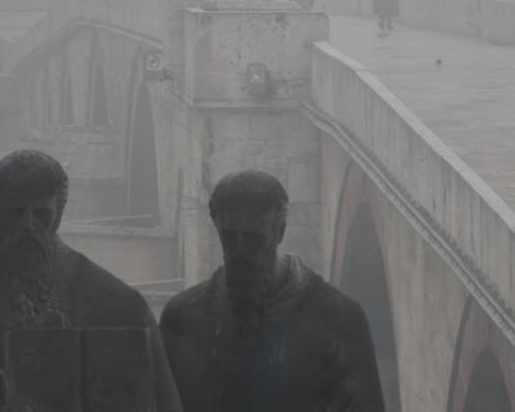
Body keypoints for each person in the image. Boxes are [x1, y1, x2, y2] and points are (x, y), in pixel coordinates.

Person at [0, 150, 181, 412]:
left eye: (41, 214)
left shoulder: (123, 309)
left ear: (58, 214)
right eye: (15, 213)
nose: (28, 226)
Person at [160, 170, 385, 411]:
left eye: (253, 240)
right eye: (229, 239)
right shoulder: (182, 318)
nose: (240, 252)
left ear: (280, 232)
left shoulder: (338, 318)